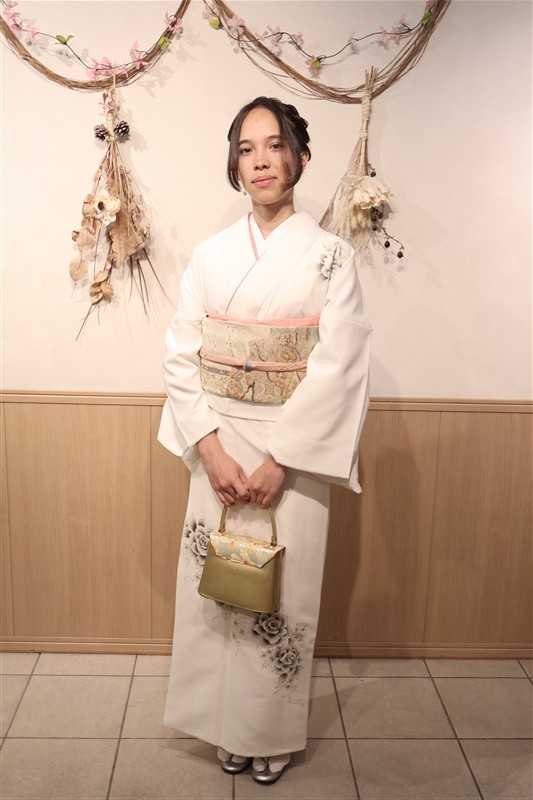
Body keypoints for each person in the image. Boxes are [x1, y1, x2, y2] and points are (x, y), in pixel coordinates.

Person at [158, 96, 372, 784]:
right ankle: (224, 724)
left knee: (282, 592)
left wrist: (282, 459)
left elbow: (339, 363)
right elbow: (181, 353)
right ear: (234, 164)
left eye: (275, 145)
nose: (261, 161)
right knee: (219, 587)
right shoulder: (210, 255)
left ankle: (268, 731)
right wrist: (209, 447)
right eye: (246, 149)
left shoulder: (332, 257)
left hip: (292, 452)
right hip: (217, 442)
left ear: (300, 157)